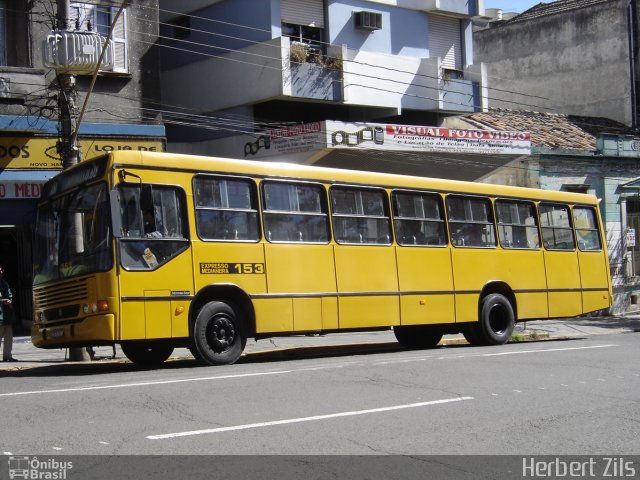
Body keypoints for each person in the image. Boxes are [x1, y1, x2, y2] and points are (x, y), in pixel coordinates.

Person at [0, 265, 17, 362]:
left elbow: (10, 294)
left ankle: (7, 355)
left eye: (1, 270)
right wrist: (2, 301)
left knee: (8, 337)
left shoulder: (4, 283)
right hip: (0, 315)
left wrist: (10, 300)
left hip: (7, 315)